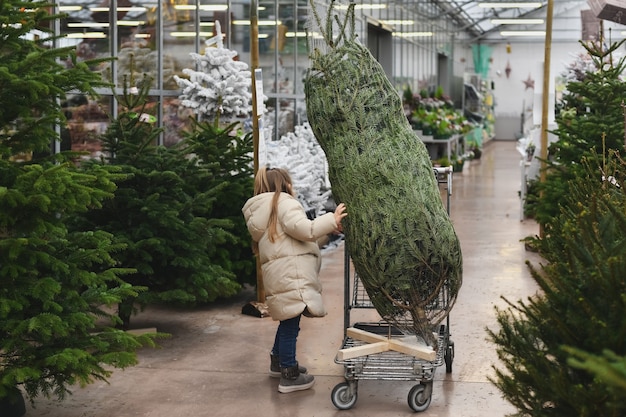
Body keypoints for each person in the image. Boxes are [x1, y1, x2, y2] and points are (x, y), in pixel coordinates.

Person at [242, 166, 347, 393]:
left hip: (283, 276)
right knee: (291, 325)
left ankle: (278, 362)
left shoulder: (265, 211)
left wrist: (328, 232)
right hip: (293, 276)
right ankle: (288, 374)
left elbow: (299, 238)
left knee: (288, 320)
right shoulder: (284, 203)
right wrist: (333, 218)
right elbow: (306, 230)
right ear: (284, 185)